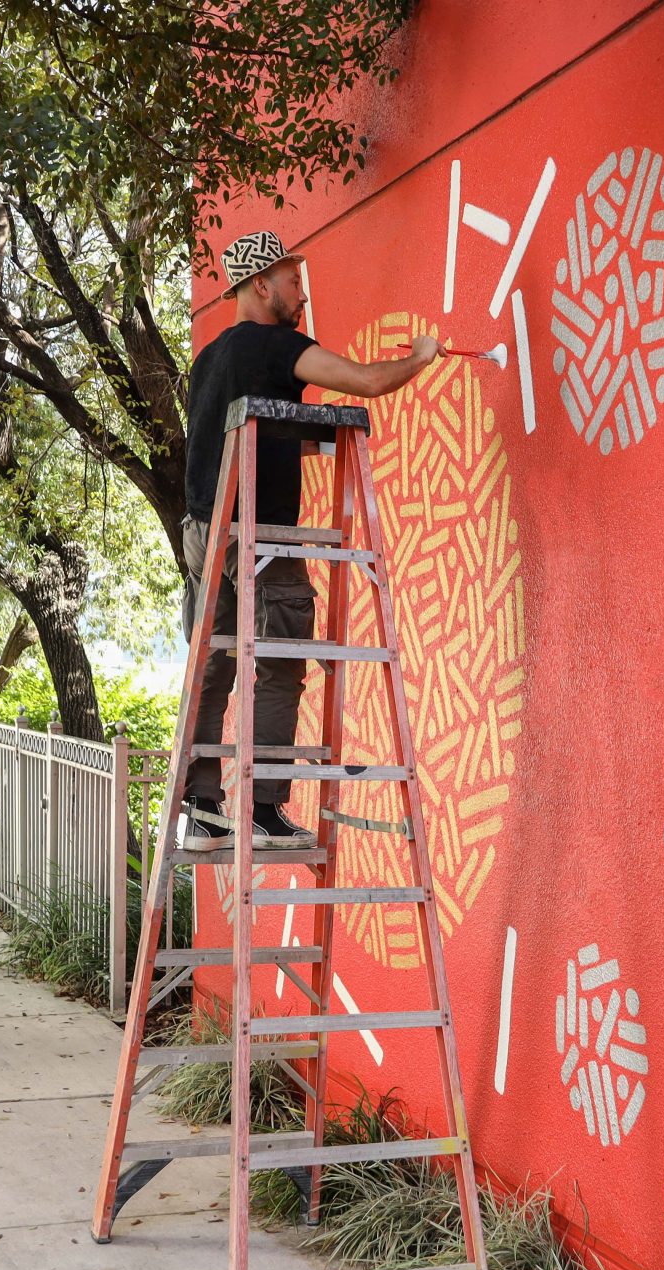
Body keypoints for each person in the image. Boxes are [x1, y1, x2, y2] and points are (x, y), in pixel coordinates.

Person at [178, 229, 443, 852]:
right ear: (260, 285)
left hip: (202, 531)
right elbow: (367, 382)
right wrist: (421, 357)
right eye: (293, 282)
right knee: (281, 660)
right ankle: (264, 811)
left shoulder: (206, 362)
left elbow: (236, 441)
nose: (302, 294)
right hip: (257, 534)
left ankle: (203, 810)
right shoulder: (276, 345)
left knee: (215, 664)